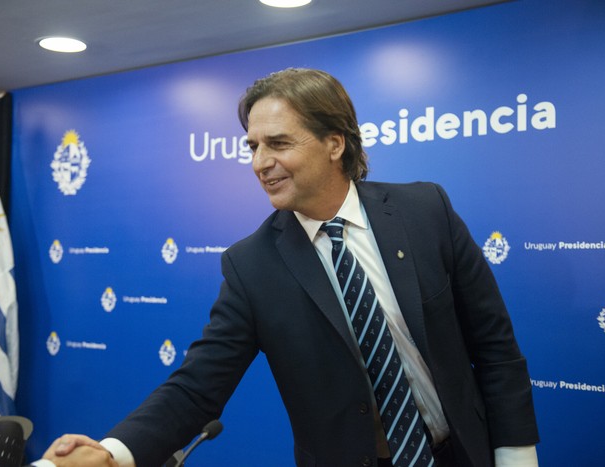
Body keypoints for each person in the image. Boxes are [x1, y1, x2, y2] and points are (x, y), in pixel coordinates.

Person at [38, 68, 539, 467]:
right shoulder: (251, 265)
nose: (260, 162)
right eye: (252, 147)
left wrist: (516, 455)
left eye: (278, 143)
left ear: (334, 143)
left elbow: (495, 348)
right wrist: (113, 452)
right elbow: (197, 387)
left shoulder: (425, 211)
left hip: (463, 452)